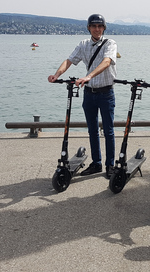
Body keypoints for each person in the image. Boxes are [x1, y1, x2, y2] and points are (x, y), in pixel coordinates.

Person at [48, 14, 118, 179]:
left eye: (100, 26)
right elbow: (70, 60)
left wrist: (88, 76)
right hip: (89, 94)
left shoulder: (110, 43)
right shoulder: (84, 44)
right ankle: (96, 163)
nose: (97, 29)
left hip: (106, 92)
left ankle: (110, 165)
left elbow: (107, 61)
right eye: (94, 26)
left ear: (104, 28)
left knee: (108, 131)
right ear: (88, 28)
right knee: (92, 130)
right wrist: (56, 75)